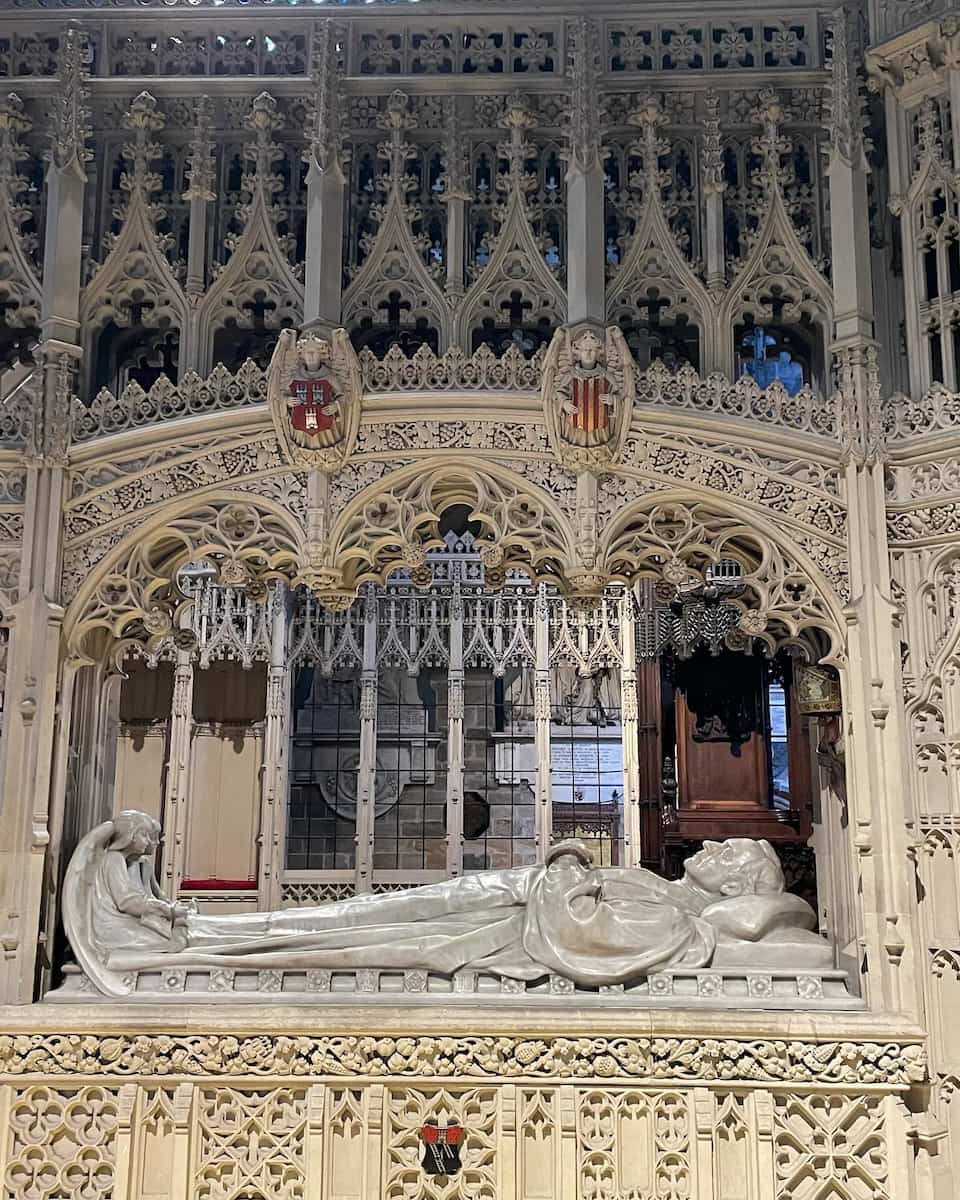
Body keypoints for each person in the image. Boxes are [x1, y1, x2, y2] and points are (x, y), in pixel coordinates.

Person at [64, 814, 831, 997]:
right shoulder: (660, 890)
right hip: (493, 902)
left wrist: (564, 869)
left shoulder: (674, 919)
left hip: (489, 932)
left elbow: (580, 937)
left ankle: (171, 952)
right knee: (346, 916)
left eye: (734, 855)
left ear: (732, 889)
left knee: (338, 937)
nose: (720, 846)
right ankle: (187, 925)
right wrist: (570, 872)